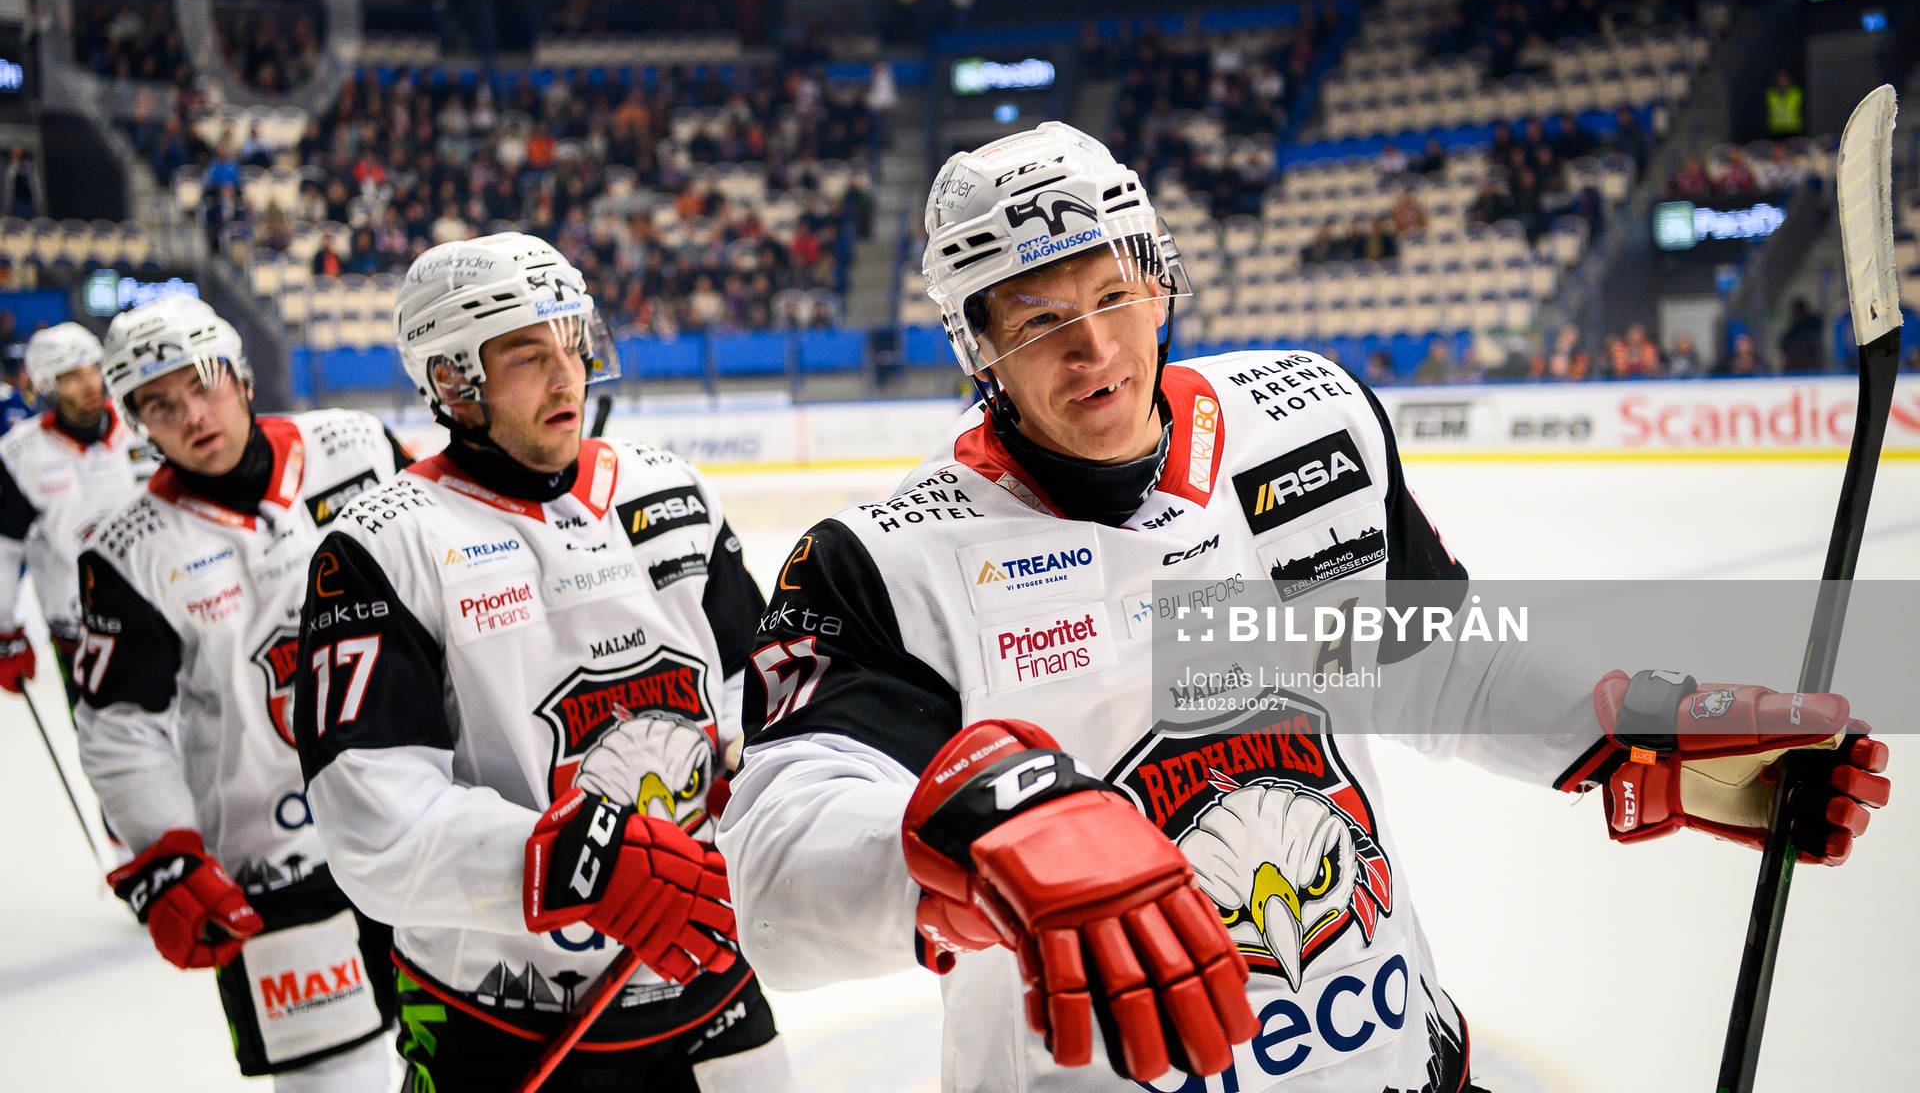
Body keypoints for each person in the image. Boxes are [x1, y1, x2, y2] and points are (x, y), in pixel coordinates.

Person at [715, 122, 1891, 1091]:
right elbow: (768, 870)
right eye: (1036, 321)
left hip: (1407, 1061)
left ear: (1158, 276)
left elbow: (1428, 656)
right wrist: (967, 837)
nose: (1095, 349)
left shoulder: (1306, 418)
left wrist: (1637, 732)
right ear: (977, 346)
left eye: (1112, 291)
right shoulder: (884, 563)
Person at [297, 234, 794, 1092]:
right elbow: (371, 823)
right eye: (529, 357)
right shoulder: (385, 545)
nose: (568, 377)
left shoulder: (668, 492)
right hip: (496, 1012)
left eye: (573, 341)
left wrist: (759, 777)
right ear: (453, 382)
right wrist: (578, 859)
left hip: (705, 971)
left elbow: (761, 695)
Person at [72, 297, 410, 1090]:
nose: (191, 414)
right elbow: (122, 726)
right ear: (136, 423)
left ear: (242, 375)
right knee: (334, 1082)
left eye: (202, 384)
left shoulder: (355, 448)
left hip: (422, 818)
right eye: (160, 404)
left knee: (468, 1057)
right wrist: (166, 852)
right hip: (275, 872)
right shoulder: (128, 553)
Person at [0, 324, 155, 706]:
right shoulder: (20, 454)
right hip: (82, 634)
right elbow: (4, 549)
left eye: (91, 369)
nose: (88, 383)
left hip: (166, 615)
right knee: (107, 756)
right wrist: (4, 630)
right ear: (46, 384)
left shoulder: (144, 424)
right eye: (71, 376)